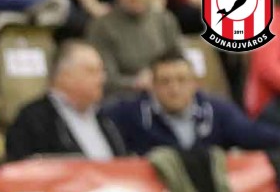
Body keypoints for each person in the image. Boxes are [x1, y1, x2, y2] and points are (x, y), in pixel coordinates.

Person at [105, 51, 280, 154]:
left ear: (195, 84)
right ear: (153, 86)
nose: (174, 89)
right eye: (165, 81)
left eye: (181, 80)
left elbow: (254, 134)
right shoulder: (132, 114)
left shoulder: (216, 111)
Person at [4, 41, 126, 162]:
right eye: (91, 71)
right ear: (65, 76)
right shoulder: (32, 120)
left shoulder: (106, 119)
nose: (102, 79)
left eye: (102, 71)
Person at [84, 0, 181, 97]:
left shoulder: (166, 20)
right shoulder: (100, 27)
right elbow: (103, 79)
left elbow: (181, 63)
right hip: (122, 99)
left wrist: (162, 78)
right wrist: (135, 83)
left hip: (165, 95)